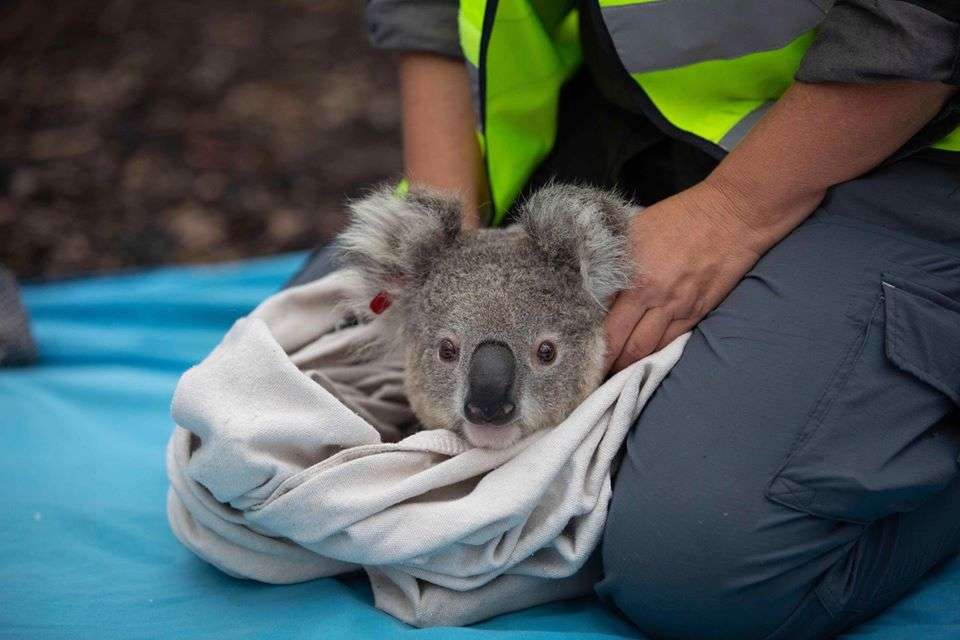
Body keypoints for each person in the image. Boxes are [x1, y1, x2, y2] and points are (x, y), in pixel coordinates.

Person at [354, 1, 960, 638]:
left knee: (702, 562)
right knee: (296, 397)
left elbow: (923, 21)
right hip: (619, 110)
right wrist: (439, 250)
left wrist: (732, 209)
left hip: (904, 139)